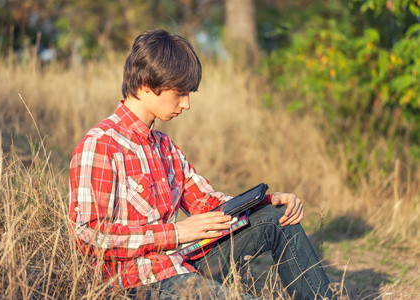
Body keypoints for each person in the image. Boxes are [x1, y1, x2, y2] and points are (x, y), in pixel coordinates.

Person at [69, 29, 336, 299]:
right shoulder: (101, 145)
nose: (186, 104)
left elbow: (208, 204)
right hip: (136, 283)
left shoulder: (165, 147)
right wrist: (175, 233)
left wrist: (268, 201)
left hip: (181, 264)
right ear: (148, 83)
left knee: (277, 218)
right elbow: (87, 236)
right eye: (180, 93)